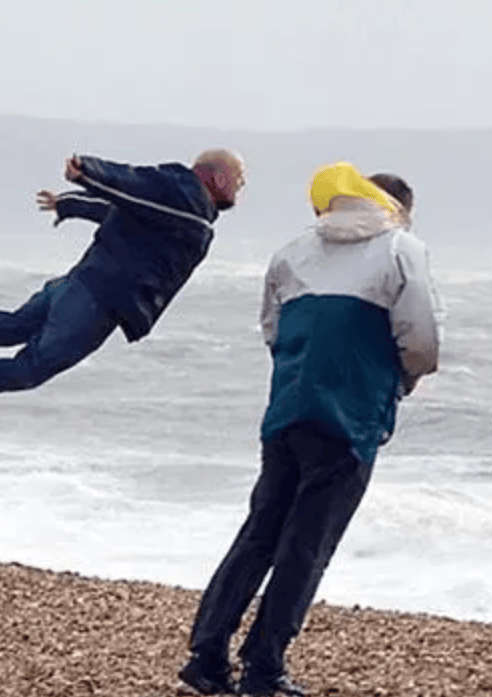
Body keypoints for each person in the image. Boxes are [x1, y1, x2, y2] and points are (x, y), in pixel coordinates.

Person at [178, 163, 440, 696]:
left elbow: (272, 329)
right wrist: (400, 380)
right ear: (400, 210)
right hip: (350, 415)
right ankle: (264, 669)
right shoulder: (400, 250)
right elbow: (421, 340)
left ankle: (206, 656)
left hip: (287, 409)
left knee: (259, 534)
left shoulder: (293, 251)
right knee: (307, 546)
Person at [0, 149, 246, 445]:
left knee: (11, 327)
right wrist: (90, 173)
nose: (243, 186)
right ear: (218, 178)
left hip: (80, 285)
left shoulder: (180, 209)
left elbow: (127, 208)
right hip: (97, 302)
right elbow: (135, 186)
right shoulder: (189, 202)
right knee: (29, 369)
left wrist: (71, 203)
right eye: (240, 178)